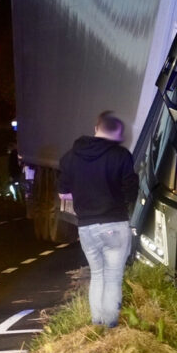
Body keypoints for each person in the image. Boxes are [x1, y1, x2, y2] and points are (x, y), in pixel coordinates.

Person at [58, 112, 138, 328]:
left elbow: (63, 192)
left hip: (86, 227)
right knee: (113, 277)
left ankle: (97, 323)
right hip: (115, 222)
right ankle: (110, 327)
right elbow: (131, 191)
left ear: (96, 128)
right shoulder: (121, 156)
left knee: (97, 274)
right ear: (117, 133)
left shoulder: (70, 157)